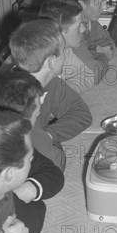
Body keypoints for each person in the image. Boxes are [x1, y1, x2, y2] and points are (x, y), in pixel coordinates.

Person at [0, 70, 65, 233]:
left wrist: (31, 187)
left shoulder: (1, 133)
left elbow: (53, 172)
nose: (36, 121)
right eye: (36, 114)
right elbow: (31, 225)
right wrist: (22, 199)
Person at [9, 18, 92, 170]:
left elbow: (82, 113)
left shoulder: (50, 81)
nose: (66, 55)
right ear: (52, 62)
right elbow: (55, 165)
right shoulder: (17, 105)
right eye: (64, 51)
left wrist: (48, 136)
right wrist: (46, 141)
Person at [38, 0, 92, 93]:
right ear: (60, 32)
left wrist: (66, 90)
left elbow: (86, 73)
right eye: (79, 25)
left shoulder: (67, 51)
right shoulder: (39, 61)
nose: (83, 29)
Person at [69, 0, 115, 72]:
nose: (105, 6)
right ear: (81, 4)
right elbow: (93, 73)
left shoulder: (90, 21)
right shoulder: (71, 31)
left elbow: (108, 42)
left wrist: (94, 53)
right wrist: (102, 55)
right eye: (100, 2)